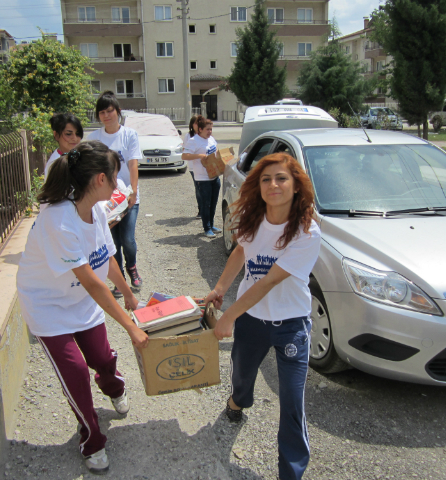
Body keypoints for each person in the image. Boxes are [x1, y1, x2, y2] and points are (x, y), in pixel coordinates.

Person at [16, 141, 149, 475]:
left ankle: (114, 387)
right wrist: (131, 326)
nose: (120, 183)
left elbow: (105, 259)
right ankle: (91, 440)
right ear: (100, 180)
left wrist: (128, 294)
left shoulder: (97, 210)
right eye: (115, 176)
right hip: (48, 304)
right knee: (75, 372)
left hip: (79, 299)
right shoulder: (58, 221)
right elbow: (91, 282)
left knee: (102, 358)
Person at [205, 153, 321, 480]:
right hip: (252, 320)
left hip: (291, 325)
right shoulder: (253, 218)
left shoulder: (307, 231)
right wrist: (220, 287)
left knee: (292, 404)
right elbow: (241, 250)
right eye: (266, 179)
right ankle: (238, 401)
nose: (273, 185)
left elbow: (270, 280)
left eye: (282, 178)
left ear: (297, 186)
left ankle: (291, 473)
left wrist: (228, 315)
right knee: (241, 375)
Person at [87, 91, 143, 296]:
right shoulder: (94, 138)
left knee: (127, 239)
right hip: (105, 201)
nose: (106, 115)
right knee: (113, 242)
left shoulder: (129, 135)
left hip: (127, 197)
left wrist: (133, 192)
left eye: (109, 111)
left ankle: (132, 267)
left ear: (118, 112)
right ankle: (119, 279)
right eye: (101, 112)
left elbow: (133, 163)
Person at [182, 116, 222, 237]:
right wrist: (199, 156)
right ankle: (207, 228)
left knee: (214, 202)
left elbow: (215, 152)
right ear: (200, 129)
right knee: (206, 204)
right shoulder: (194, 141)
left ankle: (212, 224)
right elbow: (184, 156)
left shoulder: (211, 139)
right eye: (207, 129)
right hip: (202, 178)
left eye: (211, 129)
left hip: (214, 176)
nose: (210, 132)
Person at [45, 113, 84, 179]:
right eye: (68, 134)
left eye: (77, 134)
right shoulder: (55, 163)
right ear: (56, 135)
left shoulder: (80, 155)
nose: (74, 138)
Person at [182, 115, 201, 219]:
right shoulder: (188, 136)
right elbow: (184, 151)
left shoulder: (204, 135)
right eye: (196, 123)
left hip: (204, 166)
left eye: (199, 122)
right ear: (192, 124)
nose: (197, 125)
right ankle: (201, 210)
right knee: (198, 188)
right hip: (193, 167)